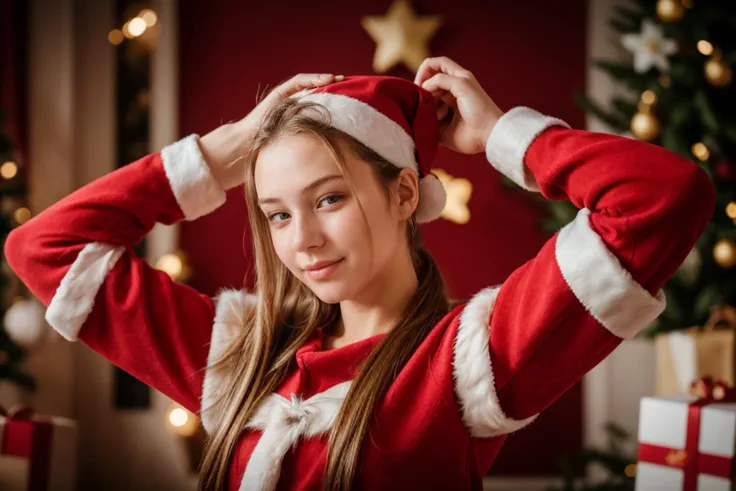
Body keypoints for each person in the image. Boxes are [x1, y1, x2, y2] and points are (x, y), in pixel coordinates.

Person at [5, 56, 715, 491]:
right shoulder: (237, 354)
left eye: (330, 198)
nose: (303, 239)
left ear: (405, 193)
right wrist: (224, 155)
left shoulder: (472, 360)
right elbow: (41, 248)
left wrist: (502, 134)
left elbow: (663, 197)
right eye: (277, 213)